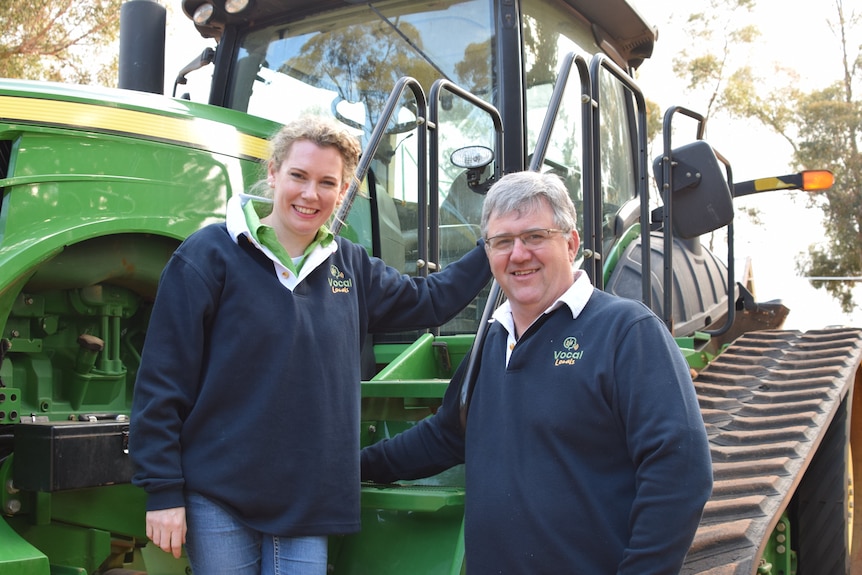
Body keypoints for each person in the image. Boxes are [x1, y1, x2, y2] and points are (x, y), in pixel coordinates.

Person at [129, 115, 492, 575]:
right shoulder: (208, 255)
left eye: (327, 183)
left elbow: (430, 300)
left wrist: (493, 247)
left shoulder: (350, 266)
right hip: (218, 494)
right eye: (298, 176)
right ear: (273, 173)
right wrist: (162, 490)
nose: (310, 194)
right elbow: (162, 381)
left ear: (343, 193)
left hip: (307, 496)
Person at [361, 170, 713, 574]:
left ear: (571, 242)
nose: (518, 254)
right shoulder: (492, 338)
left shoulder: (626, 332)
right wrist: (354, 466)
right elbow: (444, 436)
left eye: (534, 237)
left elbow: (680, 471)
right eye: (503, 242)